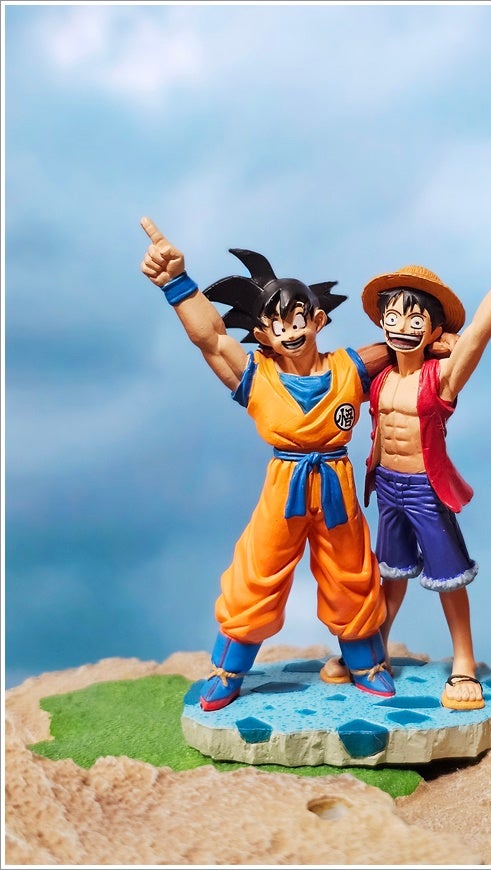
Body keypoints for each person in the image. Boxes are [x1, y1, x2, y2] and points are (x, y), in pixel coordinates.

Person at [139, 217, 396, 711]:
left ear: (318, 320)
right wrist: (176, 282)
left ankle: (365, 660)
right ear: (263, 333)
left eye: (299, 319)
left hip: (337, 483)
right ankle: (228, 668)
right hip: (285, 485)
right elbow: (212, 338)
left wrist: (438, 340)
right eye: (278, 325)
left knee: (351, 570)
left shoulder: (350, 366)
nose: (291, 331)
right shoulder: (257, 374)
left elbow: (401, 347)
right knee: (258, 571)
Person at [321, 213, 491, 710]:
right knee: (391, 574)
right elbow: (324, 380)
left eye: (415, 320)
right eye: (393, 317)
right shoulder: (377, 376)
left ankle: (463, 661)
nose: (402, 328)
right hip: (387, 487)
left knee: (449, 578)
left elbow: (481, 330)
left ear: (434, 329)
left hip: (427, 489)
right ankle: (374, 651)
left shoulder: (441, 377)